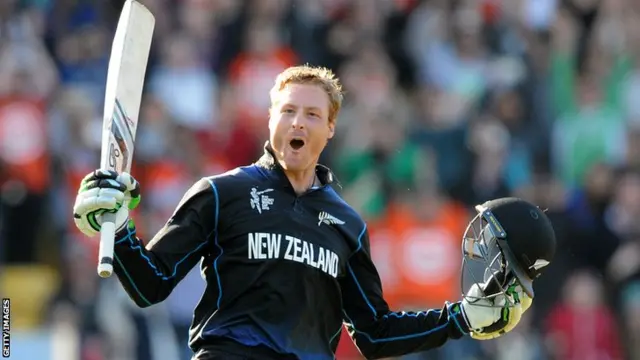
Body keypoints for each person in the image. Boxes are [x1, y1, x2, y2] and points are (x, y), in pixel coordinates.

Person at [72, 65, 556, 360]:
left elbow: (374, 334)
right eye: (287, 111)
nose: (297, 122)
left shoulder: (347, 224)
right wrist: (116, 228)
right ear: (270, 120)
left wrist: (459, 318)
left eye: (311, 114)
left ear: (329, 130)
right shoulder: (221, 193)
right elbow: (149, 284)